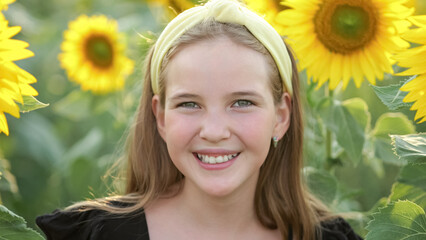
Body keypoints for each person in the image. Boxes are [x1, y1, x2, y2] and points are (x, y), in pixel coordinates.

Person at [36, 0, 363, 239]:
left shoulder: (329, 237)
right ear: (160, 117)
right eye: (190, 104)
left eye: (242, 102)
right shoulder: (91, 235)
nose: (215, 132)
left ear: (281, 116)